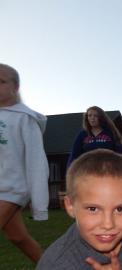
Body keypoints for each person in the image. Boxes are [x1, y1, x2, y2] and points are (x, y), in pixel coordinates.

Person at [0, 63, 49, 262]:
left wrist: (39, 204)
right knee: (18, 237)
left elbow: (36, 162)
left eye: (1, 81)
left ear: (15, 87)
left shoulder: (25, 119)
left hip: (13, 189)